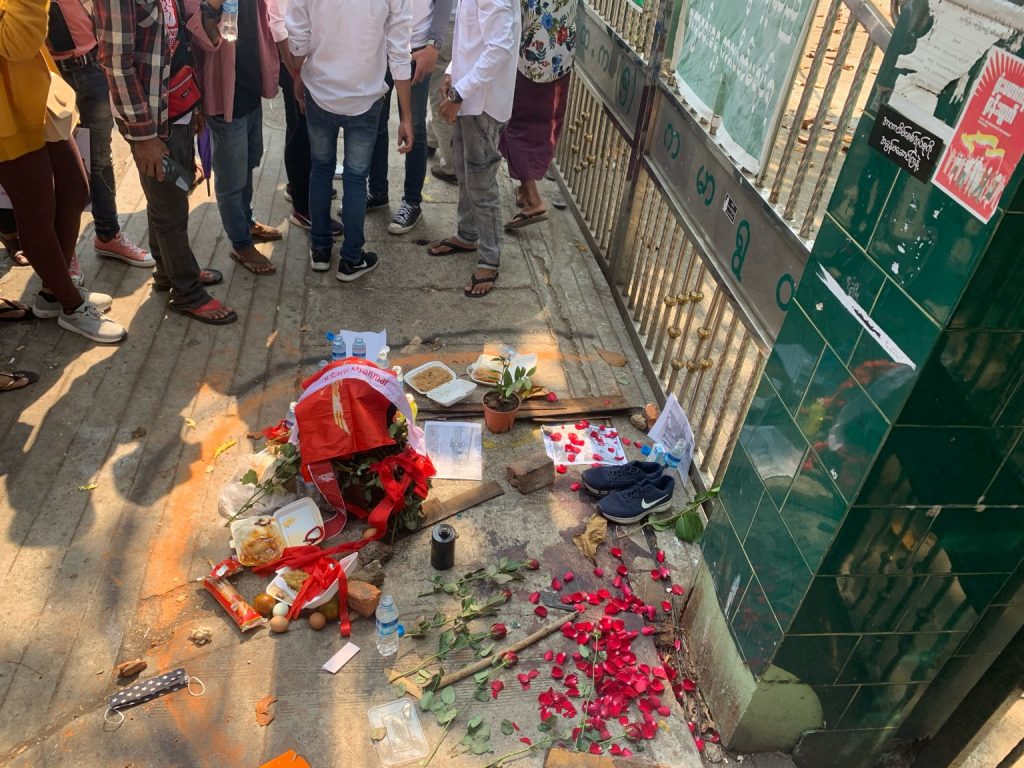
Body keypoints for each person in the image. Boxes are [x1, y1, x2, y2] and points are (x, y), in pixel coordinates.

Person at [95, 0, 238, 324]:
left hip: (178, 103)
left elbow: (180, 46)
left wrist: (194, 105)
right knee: (170, 206)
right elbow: (117, 66)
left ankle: (168, 272)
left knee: (167, 198)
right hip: (151, 119)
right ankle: (186, 292)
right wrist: (144, 137)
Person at [0, 0, 127, 343]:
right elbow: (18, 39)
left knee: (75, 189)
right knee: (36, 211)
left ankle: (53, 292)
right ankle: (70, 305)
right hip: (7, 112)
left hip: (37, 90)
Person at [286, 0, 414, 280]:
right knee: (356, 178)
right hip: (365, 97)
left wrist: (298, 75)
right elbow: (399, 52)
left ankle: (320, 250)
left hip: (319, 90)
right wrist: (406, 116)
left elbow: (297, 38)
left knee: (320, 169)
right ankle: (352, 258)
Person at [46, 0, 154, 268]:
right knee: (53, 164)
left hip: (92, 66)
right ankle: (63, 250)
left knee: (99, 158)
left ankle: (108, 233)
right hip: (48, 73)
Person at [428, 0, 521, 298]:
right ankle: (467, 234)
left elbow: (500, 48)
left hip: (481, 102)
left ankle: (490, 258)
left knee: (481, 182)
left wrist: (459, 91)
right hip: (469, 94)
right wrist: (453, 73)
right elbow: (472, 36)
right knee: (465, 172)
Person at [187, 0, 281, 275]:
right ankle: (240, 243)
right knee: (230, 179)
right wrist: (213, 7)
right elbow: (202, 38)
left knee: (250, 161)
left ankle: (247, 221)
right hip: (225, 98)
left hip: (251, 91)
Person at [367, 0, 455, 235]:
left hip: (418, 47)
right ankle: (376, 191)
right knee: (375, 120)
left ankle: (412, 201)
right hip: (379, 44)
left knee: (414, 123)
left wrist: (434, 44)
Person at [266, 0, 342, 237]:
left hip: (311, 60)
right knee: (302, 133)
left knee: (301, 129)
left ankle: (300, 187)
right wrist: (297, 75)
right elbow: (278, 25)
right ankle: (303, 209)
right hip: (294, 61)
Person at [499, 0, 574, 229]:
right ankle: (524, 191)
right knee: (543, 125)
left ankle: (533, 199)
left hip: (530, 56)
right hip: (560, 54)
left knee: (515, 125)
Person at [425, 6, 457, 185]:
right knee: (439, 91)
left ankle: (451, 167)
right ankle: (431, 141)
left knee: (440, 97)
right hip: (453, 24)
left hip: (446, 25)